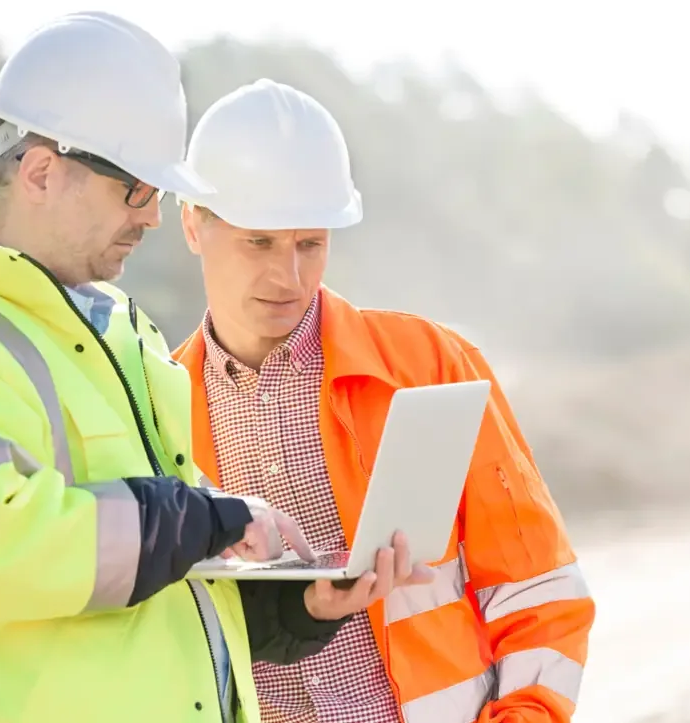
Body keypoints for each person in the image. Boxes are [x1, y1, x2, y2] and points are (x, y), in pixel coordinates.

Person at [0, 14, 424, 723]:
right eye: (138, 190)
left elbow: (157, 582)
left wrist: (298, 606)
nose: (154, 217)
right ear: (40, 171)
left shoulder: (125, 339)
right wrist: (204, 517)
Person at [172, 79, 596, 723]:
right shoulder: (157, 403)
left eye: (309, 244)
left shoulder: (429, 366)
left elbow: (538, 586)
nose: (289, 277)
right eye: (259, 242)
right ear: (192, 226)